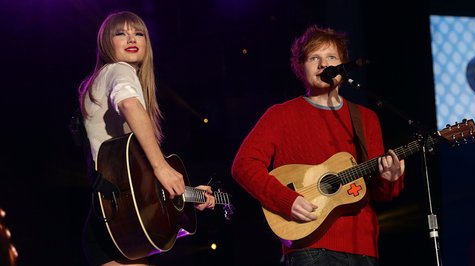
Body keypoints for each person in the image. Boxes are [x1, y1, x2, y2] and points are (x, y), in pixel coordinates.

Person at [231, 25, 405, 266]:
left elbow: (379, 192)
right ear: (300, 67)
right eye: (314, 58)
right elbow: (243, 165)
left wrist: (390, 177)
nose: (324, 64)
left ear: (343, 67)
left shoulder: (366, 118)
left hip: (363, 248)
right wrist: (286, 199)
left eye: (331, 57)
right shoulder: (280, 115)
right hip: (309, 247)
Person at [77, 11, 215, 266]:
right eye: (121, 33)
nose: (131, 38)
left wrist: (187, 194)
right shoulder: (118, 70)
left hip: (119, 220)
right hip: (120, 221)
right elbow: (129, 103)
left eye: (138, 33)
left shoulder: (100, 80)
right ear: (106, 43)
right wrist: (162, 167)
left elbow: (138, 179)